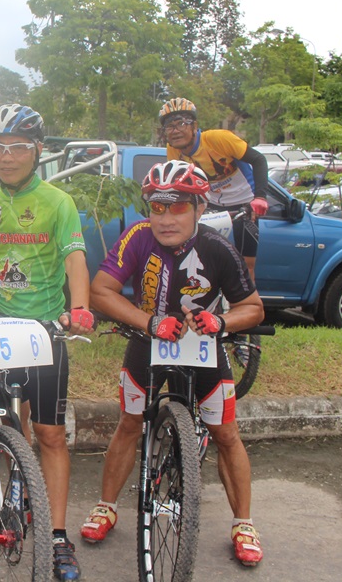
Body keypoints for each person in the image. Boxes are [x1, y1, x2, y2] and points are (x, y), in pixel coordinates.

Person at [79, 160, 265, 568]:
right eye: (157, 208)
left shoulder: (217, 247)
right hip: (147, 342)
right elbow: (101, 290)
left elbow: (253, 308)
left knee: (226, 434)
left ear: (200, 208)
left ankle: (244, 523)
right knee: (130, 423)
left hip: (204, 347)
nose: (165, 219)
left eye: (178, 207)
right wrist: (149, 322)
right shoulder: (137, 237)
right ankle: (106, 505)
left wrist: (221, 322)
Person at [0, 104, 94, 581]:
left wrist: (79, 308)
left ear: (38, 150)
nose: (7, 156)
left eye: (18, 147)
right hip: (0, 328)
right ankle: (2, 499)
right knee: (4, 424)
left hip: (44, 330)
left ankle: (57, 536)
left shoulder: (57, 202)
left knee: (50, 434)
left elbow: (75, 259)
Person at [161, 97, 269, 280]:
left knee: (246, 265)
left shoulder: (217, 138)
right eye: (169, 127)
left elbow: (259, 160)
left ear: (194, 126)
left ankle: (248, 297)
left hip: (244, 202)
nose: (175, 131)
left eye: (181, 123)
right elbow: (180, 184)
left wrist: (260, 197)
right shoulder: (173, 151)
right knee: (202, 260)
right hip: (213, 205)